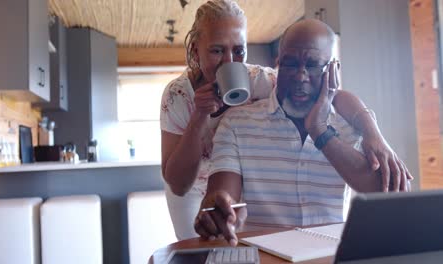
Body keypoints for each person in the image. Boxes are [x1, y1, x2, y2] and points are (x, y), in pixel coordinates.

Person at [160, 0, 411, 240]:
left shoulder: (260, 80)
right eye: (216, 50)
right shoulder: (181, 97)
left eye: (238, 51)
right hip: (193, 186)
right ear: (196, 50)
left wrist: (371, 131)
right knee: (203, 238)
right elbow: (179, 184)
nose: (229, 61)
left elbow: (334, 95)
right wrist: (199, 116)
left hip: (244, 194)